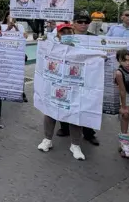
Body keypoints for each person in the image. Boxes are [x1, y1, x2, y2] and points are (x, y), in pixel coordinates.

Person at [38, 23, 87, 160]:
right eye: (62, 32)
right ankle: (47, 139)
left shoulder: (80, 48)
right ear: (58, 35)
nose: (66, 34)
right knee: (50, 112)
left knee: (75, 114)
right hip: (54, 85)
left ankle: (75, 145)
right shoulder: (52, 48)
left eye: (68, 32)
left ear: (73, 33)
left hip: (75, 86)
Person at [57, 12, 100, 145]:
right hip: (68, 75)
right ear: (74, 22)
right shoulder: (66, 37)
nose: (83, 24)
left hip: (87, 76)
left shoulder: (95, 38)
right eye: (80, 22)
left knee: (86, 103)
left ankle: (88, 132)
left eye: (86, 22)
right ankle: (65, 128)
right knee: (65, 101)